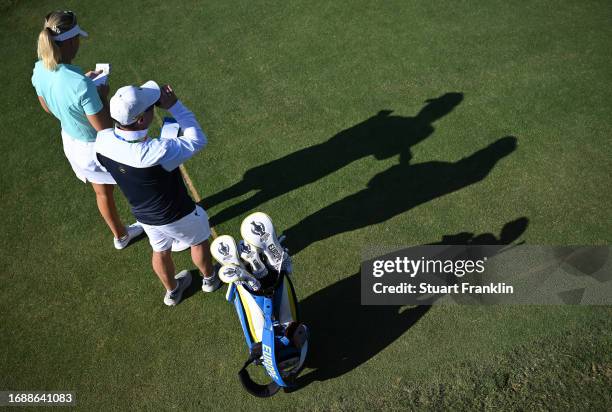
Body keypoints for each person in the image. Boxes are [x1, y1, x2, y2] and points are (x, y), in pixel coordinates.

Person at [95, 81, 221, 306]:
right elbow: (197, 139)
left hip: (144, 216)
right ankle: (210, 279)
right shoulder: (157, 151)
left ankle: (172, 291)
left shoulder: (102, 141)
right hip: (178, 212)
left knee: (160, 250)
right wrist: (175, 106)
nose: (155, 106)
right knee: (199, 241)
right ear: (141, 120)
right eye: (152, 105)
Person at [31, 10, 142, 249]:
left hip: (73, 145)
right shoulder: (80, 84)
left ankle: (121, 236)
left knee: (102, 192)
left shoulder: (40, 68)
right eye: (78, 38)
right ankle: (166, 231)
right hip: (97, 149)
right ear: (70, 41)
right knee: (141, 185)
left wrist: (87, 89)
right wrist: (100, 96)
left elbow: (48, 108)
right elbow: (103, 128)